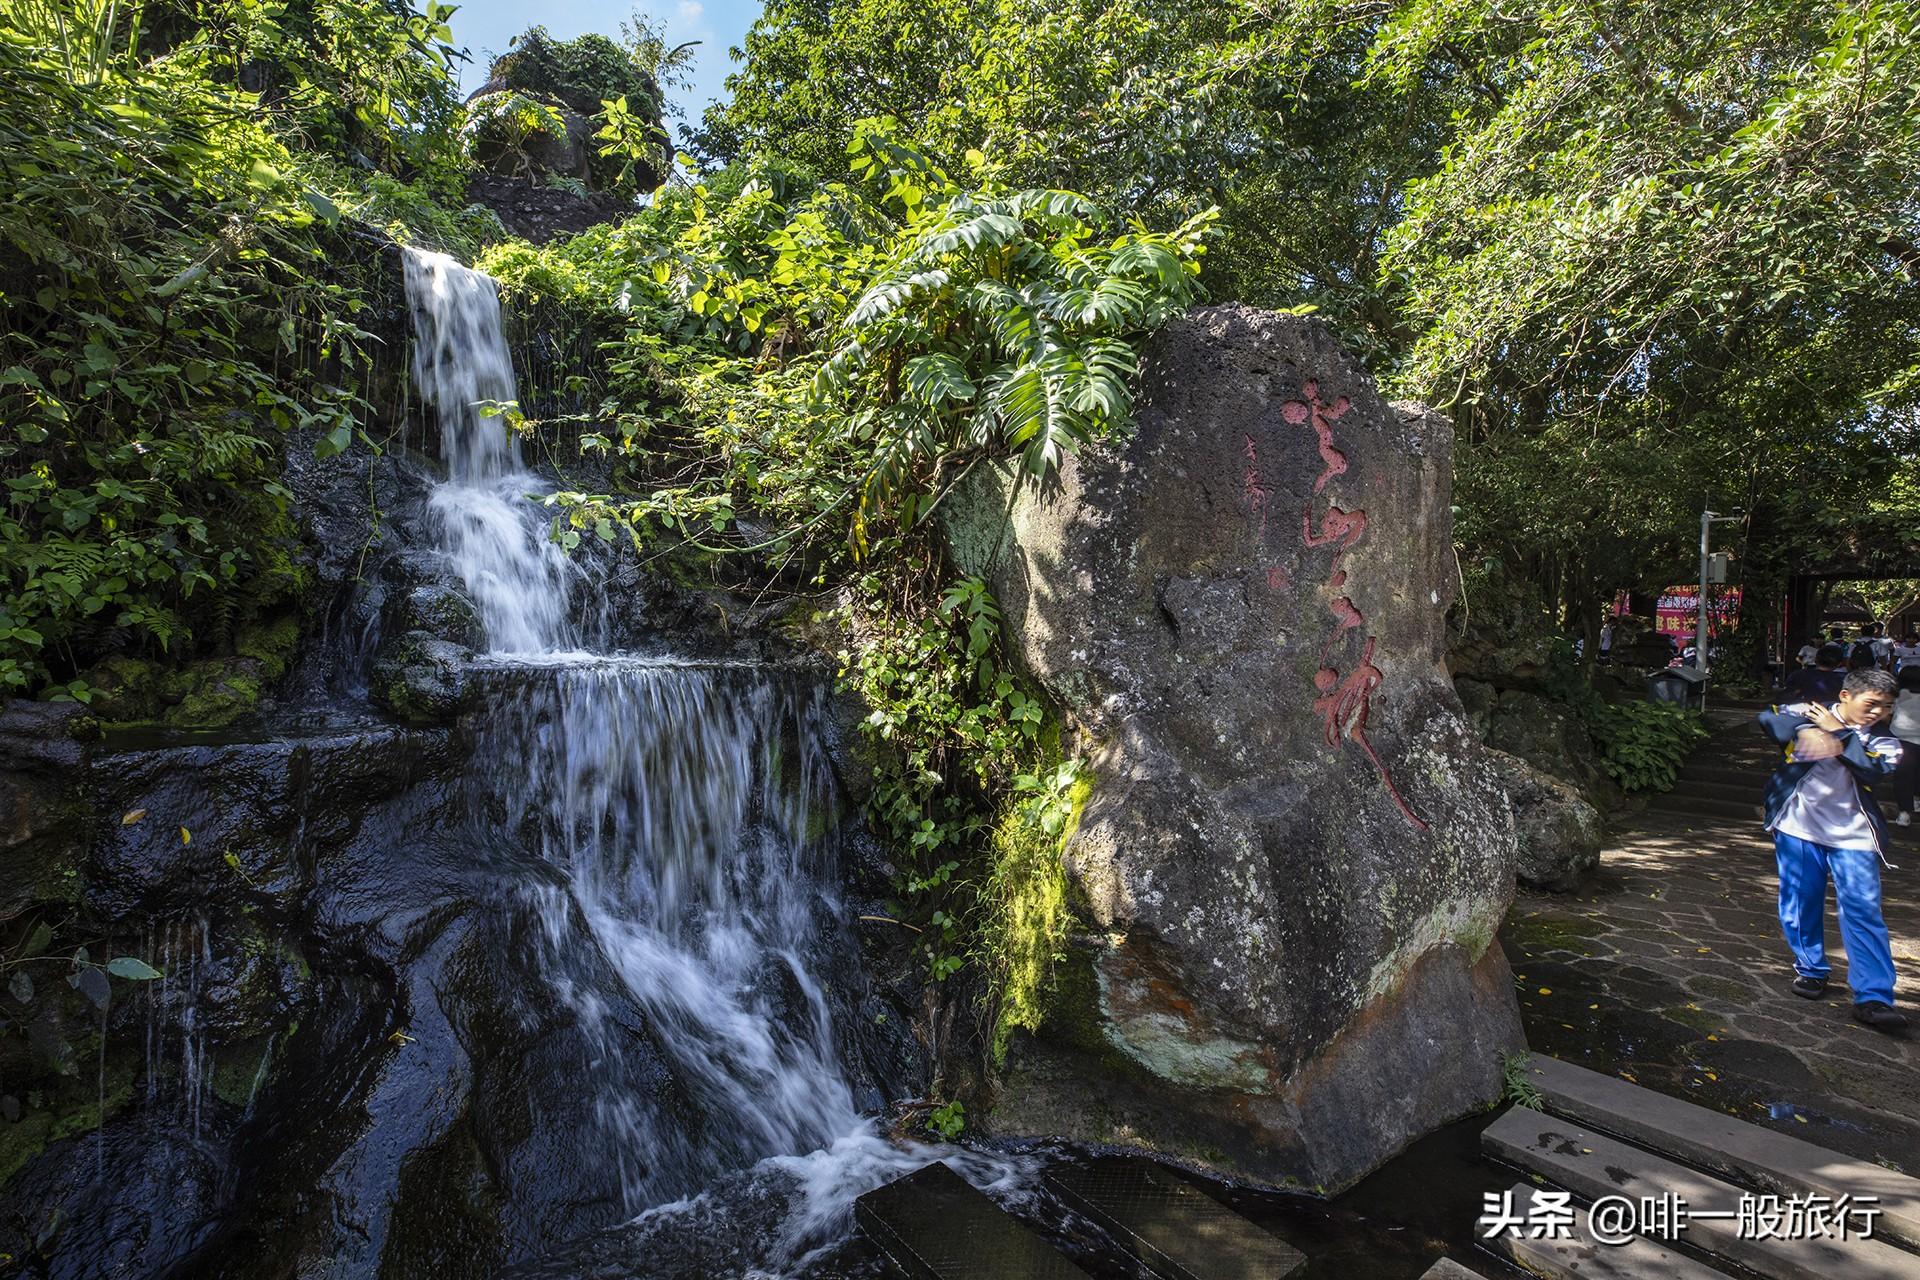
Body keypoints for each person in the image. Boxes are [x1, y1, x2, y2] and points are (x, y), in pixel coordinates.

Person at [1758, 669, 1905, 1030]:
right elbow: (1768, 716)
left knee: (1862, 910)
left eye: (1886, 707)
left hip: (1854, 837)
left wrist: (1837, 735)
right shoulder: (1810, 711)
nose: (1878, 713)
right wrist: (1806, 731)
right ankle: (1811, 968)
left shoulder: (1887, 741)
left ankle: (1873, 996)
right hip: (1798, 826)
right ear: (1844, 697)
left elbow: (1872, 770)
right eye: (1871, 704)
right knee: (1798, 900)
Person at [1892, 666, 1920, 828]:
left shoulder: (1898, 695)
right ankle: (1916, 799)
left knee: (1903, 776)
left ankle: (1904, 813)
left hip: (1902, 740)